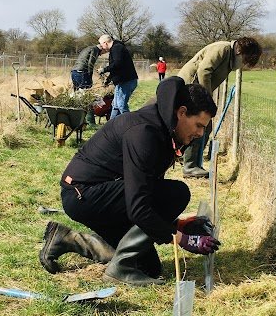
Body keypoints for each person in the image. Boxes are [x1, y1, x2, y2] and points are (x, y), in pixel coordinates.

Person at [39, 77, 220, 286]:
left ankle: (67, 239)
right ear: (181, 112)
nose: (199, 133)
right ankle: (119, 269)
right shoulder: (143, 133)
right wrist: (181, 238)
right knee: (177, 193)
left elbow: (143, 194)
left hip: (107, 193)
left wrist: (176, 224)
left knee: (148, 267)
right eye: (198, 125)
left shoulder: (164, 127)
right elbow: (139, 206)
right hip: (84, 194)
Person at [176, 36, 262, 178]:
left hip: (195, 90)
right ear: (240, 52)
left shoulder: (229, 58)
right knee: (200, 126)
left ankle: (186, 158)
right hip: (189, 87)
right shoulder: (222, 49)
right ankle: (190, 166)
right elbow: (204, 71)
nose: (243, 65)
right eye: (245, 61)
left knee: (203, 127)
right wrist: (206, 99)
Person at [99, 37, 139, 119]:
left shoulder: (117, 48)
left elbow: (117, 63)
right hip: (122, 82)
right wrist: (108, 80)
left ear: (105, 43)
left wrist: (104, 69)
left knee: (121, 105)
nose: (101, 47)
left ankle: (131, 124)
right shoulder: (115, 48)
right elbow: (116, 68)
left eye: (101, 44)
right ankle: (111, 126)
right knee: (115, 105)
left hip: (127, 81)